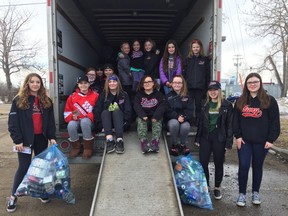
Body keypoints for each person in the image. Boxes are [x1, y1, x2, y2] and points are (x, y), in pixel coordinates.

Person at [7, 73, 57, 213]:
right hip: (25, 141)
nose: (35, 84)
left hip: (41, 138)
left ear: (41, 84)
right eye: (32, 82)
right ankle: (13, 196)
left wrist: (51, 137)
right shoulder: (19, 100)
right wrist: (18, 140)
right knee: (23, 167)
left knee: (41, 167)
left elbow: (50, 122)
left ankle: (41, 193)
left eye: (38, 82)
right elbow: (13, 123)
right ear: (27, 83)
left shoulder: (46, 101)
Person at [233, 73, 280, 207]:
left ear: (260, 83)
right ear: (246, 85)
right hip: (244, 141)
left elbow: (274, 123)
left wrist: (271, 139)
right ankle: (242, 194)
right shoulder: (241, 100)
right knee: (243, 165)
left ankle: (255, 193)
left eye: (255, 82)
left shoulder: (269, 100)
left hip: (262, 142)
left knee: (257, 166)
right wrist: (238, 136)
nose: (252, 84)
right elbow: (235, 121)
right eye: (250, 82)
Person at [194, 81, 233, 200]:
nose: (213, 92)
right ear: (208, 92)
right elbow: (201, 122)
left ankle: (217, 187)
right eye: (210, 90)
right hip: (206, 136)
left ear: (219, 91)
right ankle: (205, 186)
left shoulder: (227, 105)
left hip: (219, 137)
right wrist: (197, 137)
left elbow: (230, 124)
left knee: (218, 163)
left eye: (215, 89)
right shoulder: (204, 104)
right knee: (203, 162)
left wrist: (229, 141)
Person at [93, 74, 131, 153]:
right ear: (107, 84)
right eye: (110, 82)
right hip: (106, 124)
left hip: (121, 123)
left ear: (118, 83)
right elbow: (97, 110)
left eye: (114, 81)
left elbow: (128, 110)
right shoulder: (103, 95)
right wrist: (100, 126)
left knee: (117, 111)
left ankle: (119, 140)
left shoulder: (124, 94)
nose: (112, 83)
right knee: (105, 111)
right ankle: (109, 140)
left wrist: (125, 123)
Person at [64, 75, 99, 159]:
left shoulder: (96, 95)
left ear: (89, 84)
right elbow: (66, 113)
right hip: (77, 121)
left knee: (85, 121)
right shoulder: (72, 97)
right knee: (71, 124)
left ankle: (88, 148)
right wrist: (72, 116)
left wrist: (88, 116)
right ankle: (76, 147)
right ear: (78, 84)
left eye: (85, 83)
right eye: (81, 83)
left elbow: (98, 111)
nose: (83, 85)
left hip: (90, 122)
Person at [134, 75, 166, 153]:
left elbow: (162, 106)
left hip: (154, 117)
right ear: (142, 84)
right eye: (145, 82)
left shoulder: (159, 95)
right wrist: (142, 115)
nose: (147, 83)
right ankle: (143, 142)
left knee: (157, 121)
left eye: (149, 81)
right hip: (144, 117)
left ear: (153, 83)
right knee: (141, 121)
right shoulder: (139, 95)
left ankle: (155, 142)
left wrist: (156, 116)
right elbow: (136, 106)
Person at [182, 39, 211, 125]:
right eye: (194, 47)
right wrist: (184, 87)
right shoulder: (187, 60)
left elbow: (207, 75)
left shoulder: (205, 60)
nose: (195, 48)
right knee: (189, 106)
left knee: (199, 106)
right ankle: (189, 121)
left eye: (197, 47)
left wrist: (207, 88)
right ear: (191, 48)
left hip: (200, 88)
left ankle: (198, 122)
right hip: (189, 88)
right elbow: (184, 74)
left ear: (200, 48)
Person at [165, 75, 193, 156]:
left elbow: (190, 109)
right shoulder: (168, 96)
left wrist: (183, 117)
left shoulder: (187, 96)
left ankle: (183, 145)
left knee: (186, 126)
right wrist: (177, 117)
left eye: (179, 83)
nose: (177, 84)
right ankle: (174, 144)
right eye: (175, 82)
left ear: (182, 84)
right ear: (172, 84)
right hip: (172, 119)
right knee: (174, 124)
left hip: (185, 119)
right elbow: (167, 111)